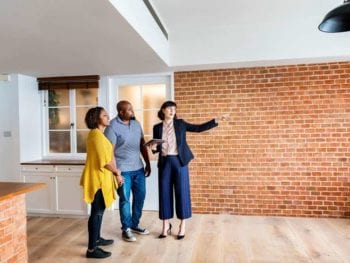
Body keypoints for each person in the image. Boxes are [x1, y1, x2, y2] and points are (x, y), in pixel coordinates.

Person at [151, 101, 229, 239]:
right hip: (164, 163)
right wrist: (153, 148)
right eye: (169, 108)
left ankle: (182, 225)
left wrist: (216, 120)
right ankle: (165, 225)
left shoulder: (180, 124)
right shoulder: (157, 127)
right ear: (163, 110)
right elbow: (157, 146)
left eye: (174, 109)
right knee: (164, 193)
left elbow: (198, 128)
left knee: (182, 192)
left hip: (179, 162)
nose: (172, 111)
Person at [80, 106, 124, 259]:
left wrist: (116, 173)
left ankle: (97, 239)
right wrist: (117, 173)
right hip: (97, 180)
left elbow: (109, 156)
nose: (108, 117)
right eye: (105, 115)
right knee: (96, 213)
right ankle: (91, 250)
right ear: (96, 119)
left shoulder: (100, 135)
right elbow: (104, 162)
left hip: (103, 179)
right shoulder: (95, 136)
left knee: (99, 211)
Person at [104, 100, 151, 242]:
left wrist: (148, 163)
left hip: (138, 168)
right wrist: (116, 172)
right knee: (125, 200)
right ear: (121, 112)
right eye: (129, 109)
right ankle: (126, 228)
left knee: (140, 197)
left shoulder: (136, 124)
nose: (132, 111)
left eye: (132, 108)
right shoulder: (112, 126)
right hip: (123, 170)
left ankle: (134, 225)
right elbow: (109, 152)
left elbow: (142, 145)